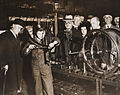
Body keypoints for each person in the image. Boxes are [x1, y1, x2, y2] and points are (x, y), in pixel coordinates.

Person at [23, 26, 60, 95]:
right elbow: (23, 53)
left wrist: (53, 43)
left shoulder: (47, 38)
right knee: (37, 87)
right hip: (35, 67)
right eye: (39, 33)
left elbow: (57, 40)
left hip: (45, 65)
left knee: (48, 87)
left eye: (42, 33)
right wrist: (28, 48)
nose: (41, 35)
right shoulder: (31, 40)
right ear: (35, 33)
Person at [0, 19, 25, 95]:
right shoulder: (4, 36)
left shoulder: (17, 37)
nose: (19, 29)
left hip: (16, 66)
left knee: (14, 89)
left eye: (20, 28)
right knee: (7, 89)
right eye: (18, 27)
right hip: (8, 67)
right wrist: (3, 64)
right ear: (13, 25)